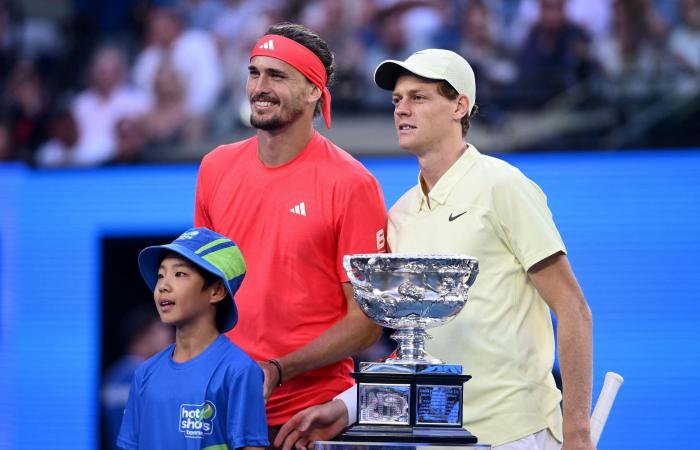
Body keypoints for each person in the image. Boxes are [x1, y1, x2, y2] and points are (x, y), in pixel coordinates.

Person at [275, 49, 594, 450]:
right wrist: (347, 407)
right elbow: (415, 345)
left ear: (460, 105)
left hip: (517, 433)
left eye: (418, 98)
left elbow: (573, 309)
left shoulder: (504, 186)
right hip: (435, 433)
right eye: (397, 100)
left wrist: (577, 431)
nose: (401, 109)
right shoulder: (402, 212)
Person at [193, 23, 387, 438]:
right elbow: (205, 292)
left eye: (277, 75)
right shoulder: (214, 168)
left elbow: (367, 323)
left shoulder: (352, 183)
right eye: (254, 72)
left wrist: (279, 370)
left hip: (310, 419)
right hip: (224, 411)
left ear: (314, 90)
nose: (260, 87)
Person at [117, 227, 269, 450]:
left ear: (216, 291)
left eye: (179, 274)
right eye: (161, 275)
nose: (163, 286)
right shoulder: (144, 374)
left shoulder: (239, 371)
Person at [101, 305, 173, 450]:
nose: (171, 339)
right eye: (162, 331)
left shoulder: (112, 377)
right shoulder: (148, 377)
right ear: (144, 335)